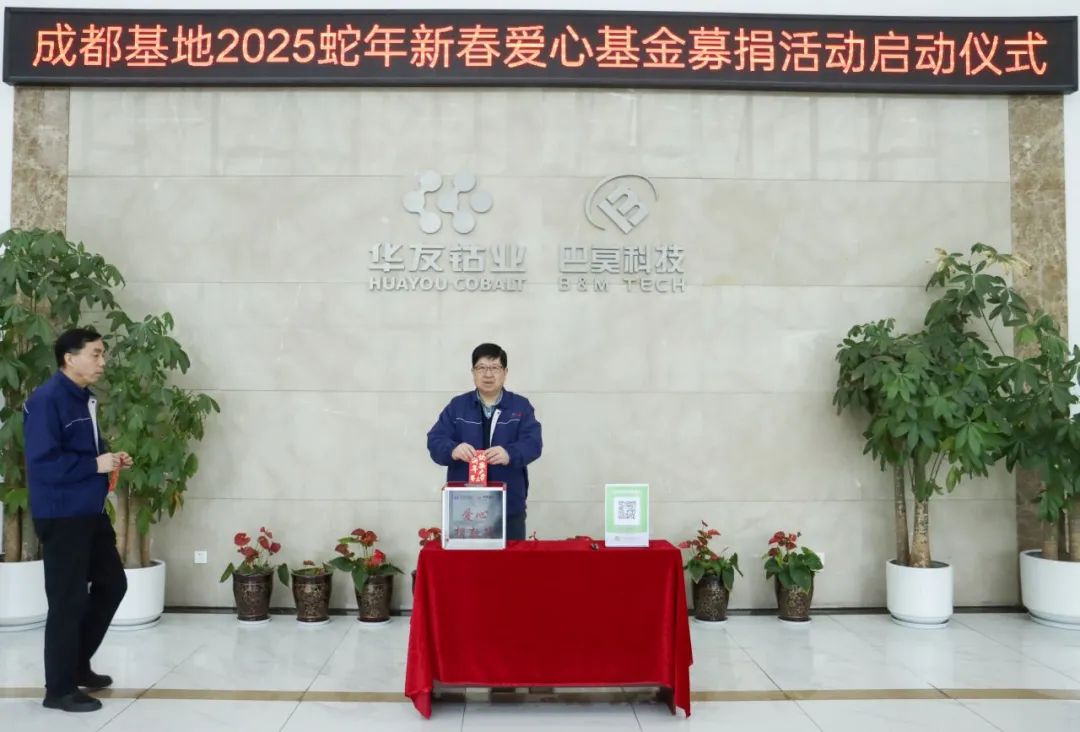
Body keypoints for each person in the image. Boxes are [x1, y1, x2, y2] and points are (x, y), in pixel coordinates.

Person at [23, 328, 133, 713]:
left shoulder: (84, 398)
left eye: (103, 354)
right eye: (96, 354)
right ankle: (59, 690)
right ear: (70, 358)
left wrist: (110, 458)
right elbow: (43, 464)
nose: (103, 361)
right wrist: (93, 464)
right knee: (67, 601)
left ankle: (76, 664)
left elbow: (83, 452)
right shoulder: (46, 400)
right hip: (62, 514)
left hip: (89, 511)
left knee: (113, 584)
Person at [426, 343, 542, 540]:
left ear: (505, 372)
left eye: (495, 367)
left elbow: (533, 444)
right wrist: (453, 449)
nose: (488, 374)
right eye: (481, 368)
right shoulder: (457, 406)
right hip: (465, 508)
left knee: (510, 559)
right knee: (467, 560)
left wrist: (510, 453)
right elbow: (435, 440)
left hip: (508, 506)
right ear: (473, 372)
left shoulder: (520, 406)